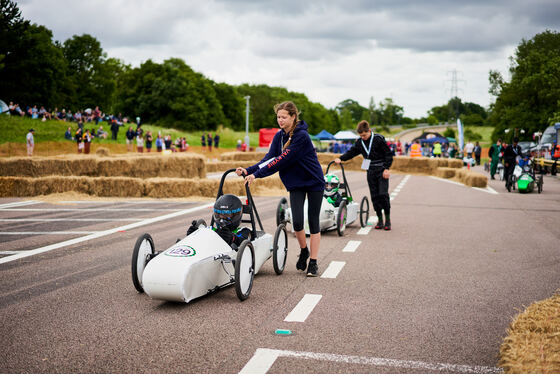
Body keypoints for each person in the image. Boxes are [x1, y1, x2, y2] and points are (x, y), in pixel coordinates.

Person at [236, 101, 325, 277]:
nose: (280, 120)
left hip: (314, 182)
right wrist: (249, 170)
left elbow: (282, 160)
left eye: (284, 117)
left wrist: (257, 175)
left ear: (293, 117)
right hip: (296, 184)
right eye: (278, 117)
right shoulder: (279, 137)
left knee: (313, 222)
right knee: (297, 221)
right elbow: (269, 158)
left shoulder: (301, 137)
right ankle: (304, 251)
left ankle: (313, 262)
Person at [335, 120, 393, 230]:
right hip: (370, 171)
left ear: (369, 131)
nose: (363, 137)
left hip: (381, 169)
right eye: (361, 135)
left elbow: (388, 154)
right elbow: (351, 152)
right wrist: (341, 158)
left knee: (383, 194)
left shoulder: (378, 139)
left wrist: (386, 168)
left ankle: (388, 220)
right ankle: (380, 220)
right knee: (374, 196)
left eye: (365, 135)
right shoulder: (360, 142)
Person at [186, 194, 251, 248]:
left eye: (227, 215)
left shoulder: (244, 231)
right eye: (219, 215)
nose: (222, 219)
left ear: (237, 214)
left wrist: (232, 238)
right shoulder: (210, 230)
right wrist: (194, 235)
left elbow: (243, 240)